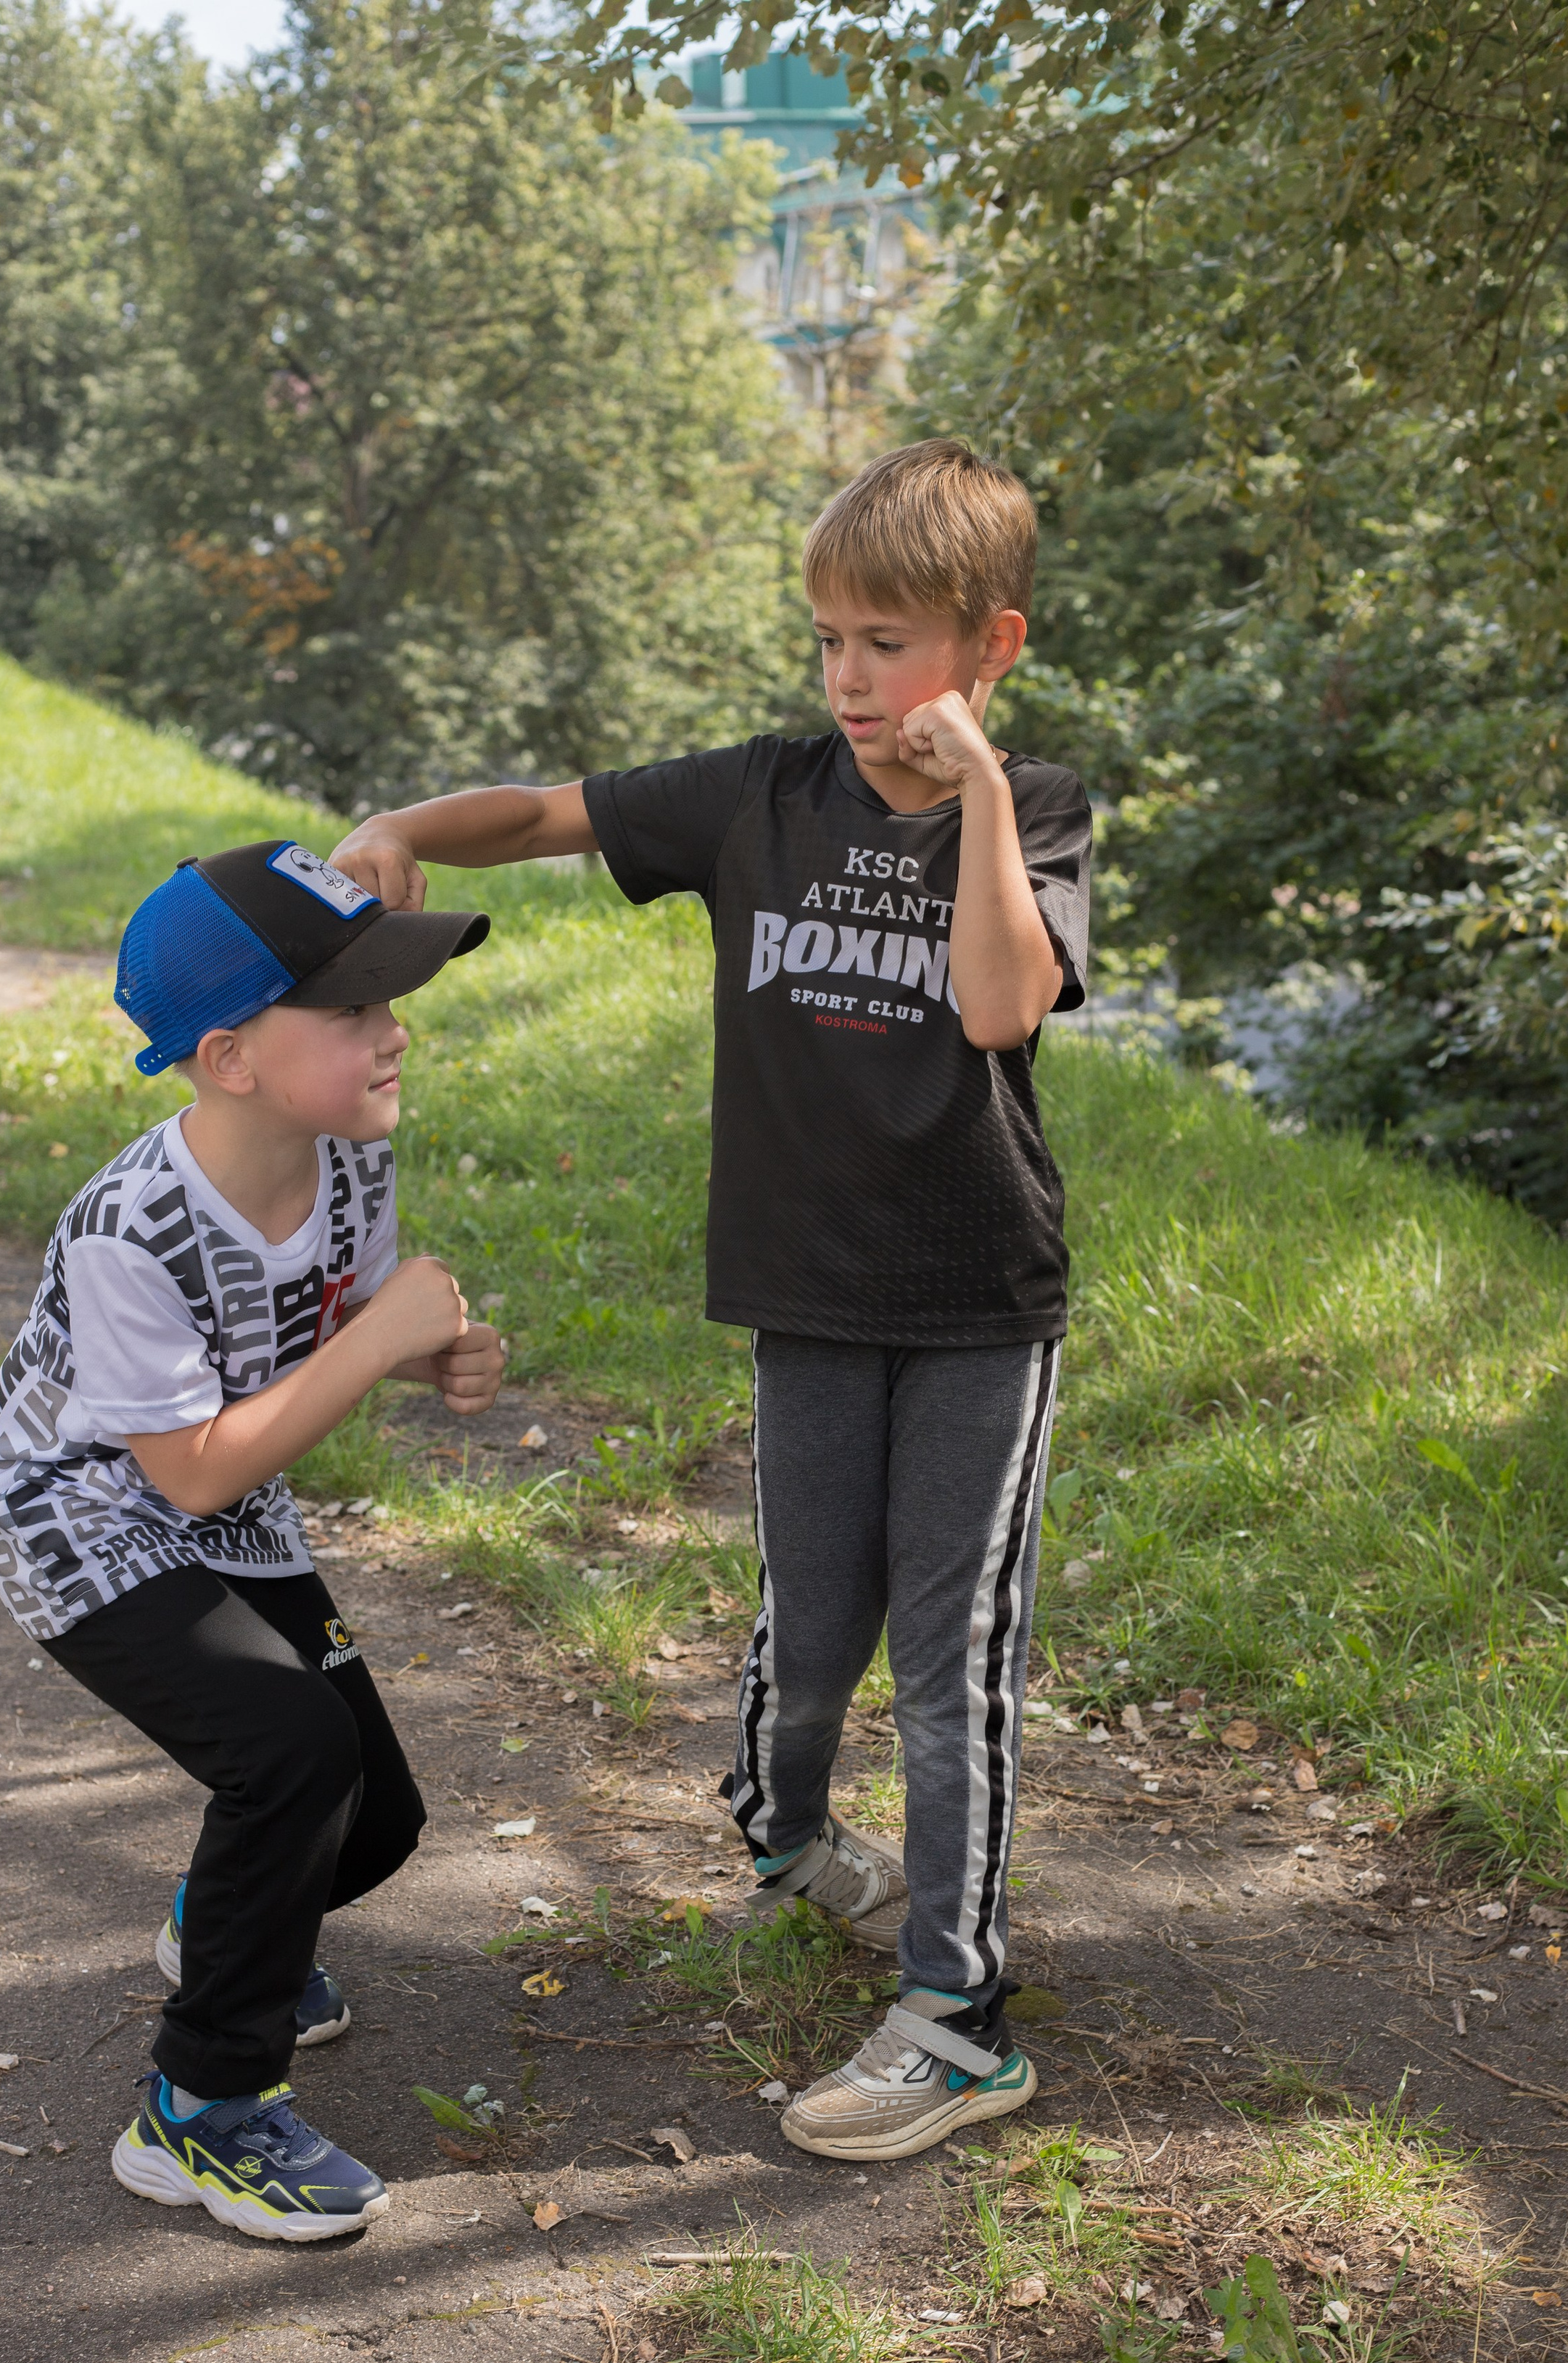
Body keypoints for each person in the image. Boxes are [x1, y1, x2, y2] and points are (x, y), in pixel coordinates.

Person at [331, 437, 1090, 2164]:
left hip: (978, 1298)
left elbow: (995, 1009)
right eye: (828, 637)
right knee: (808, 1630)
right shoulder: (761, 795)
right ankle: (787, 1833)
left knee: (949, 1649)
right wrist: (395, 831)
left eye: (885, 643)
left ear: (990, 648)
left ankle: (958, 2011)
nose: (846, 678)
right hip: (801, 1294)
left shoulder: (1033, 811)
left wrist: (970, 799)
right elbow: (537, 817)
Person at [0, 840, 503, 2241]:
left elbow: (339, 1322)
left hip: (227, 1504)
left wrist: (429, 1354)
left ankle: (223, 1933)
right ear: (230, 1057)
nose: (394, 1033)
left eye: (391, 999)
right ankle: (197, 2113)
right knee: (290, 1757)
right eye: (354, 1009)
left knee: (372, 1820)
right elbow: (190, 1474)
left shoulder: (345, 1158)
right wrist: (382, 1335)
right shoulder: (127, 1231)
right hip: (82, 1522)